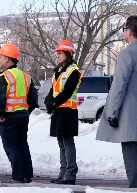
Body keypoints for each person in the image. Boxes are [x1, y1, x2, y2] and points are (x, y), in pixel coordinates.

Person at [96, 15, 137, 188]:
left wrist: (112, 112)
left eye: (123, 29)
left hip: (130, 117)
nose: (123, 33)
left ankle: (136, 191)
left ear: (129, 31)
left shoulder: (127, 54)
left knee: (132, 161)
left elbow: (118, 86)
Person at [0, 43, 38, 184]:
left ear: (7, 58)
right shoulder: (26, 76)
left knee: (11, 147)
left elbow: (0, 98)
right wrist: (26, 111)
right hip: (23, 116)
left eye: (0, 56)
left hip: (9, 117)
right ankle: (26, 175)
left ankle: (17, 176)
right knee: (22, 145)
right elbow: (33, 98)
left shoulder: (4, 77)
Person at [45, 40, 82, 185]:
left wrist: (53, 103)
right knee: (61, 143)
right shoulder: (58, 71)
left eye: (60, 53)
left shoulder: (74, 71)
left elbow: (67, 92)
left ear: (68, 53)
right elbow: (52, 90)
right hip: (59, 111)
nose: (58, 55)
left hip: (68, 111)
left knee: (67, 142)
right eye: (57, 53)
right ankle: (63, 172)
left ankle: (70, 173)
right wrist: (49, 102)